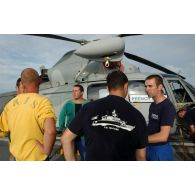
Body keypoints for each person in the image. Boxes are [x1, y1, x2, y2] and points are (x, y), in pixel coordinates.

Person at [61, 70, 147, 161]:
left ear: (107, 88)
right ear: (126, 86)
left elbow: (65, 138)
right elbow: (141, 157)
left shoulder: (88, 108)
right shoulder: (138, 116)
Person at [0, 68, 56, 160]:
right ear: (38, 82)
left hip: (16, 158)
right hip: (37, 158)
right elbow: (50, 131)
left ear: (22, 83)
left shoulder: (9, 105)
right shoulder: (43, 102)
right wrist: (46, 150)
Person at [145, 75, 176, 161]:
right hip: (149, 147)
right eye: (146, 86)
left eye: (150, 86)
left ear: (160, 87)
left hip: (160, 150)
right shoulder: (153, 105)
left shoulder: (167, 107)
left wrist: (140, 139)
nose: (147, 89)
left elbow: (163, 136)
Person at [59, 84, 90, 160]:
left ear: (82, 92)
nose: (74, 93)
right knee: (70, 157)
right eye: (73, 91)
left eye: (76, 91)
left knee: (85, 157)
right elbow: (61, 117)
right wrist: (62, 129)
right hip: (70, 135)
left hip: (83, 136)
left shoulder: (88, 104)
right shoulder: (68, 104)